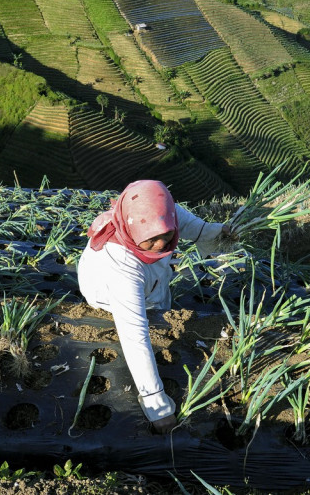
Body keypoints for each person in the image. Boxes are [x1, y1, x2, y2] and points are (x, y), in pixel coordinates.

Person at [77, 180, 228, 433]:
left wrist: (220, 231)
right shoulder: (120, 267)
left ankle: (157, 299)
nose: (161, 244)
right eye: (151, 239)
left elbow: (190, 225)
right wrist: (156, 404)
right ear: (131, 229)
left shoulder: (157, 213)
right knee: (145, 315)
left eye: (166, 234)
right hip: (109, 296)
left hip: (152, 281)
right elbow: (135, 335)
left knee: (158, 293)